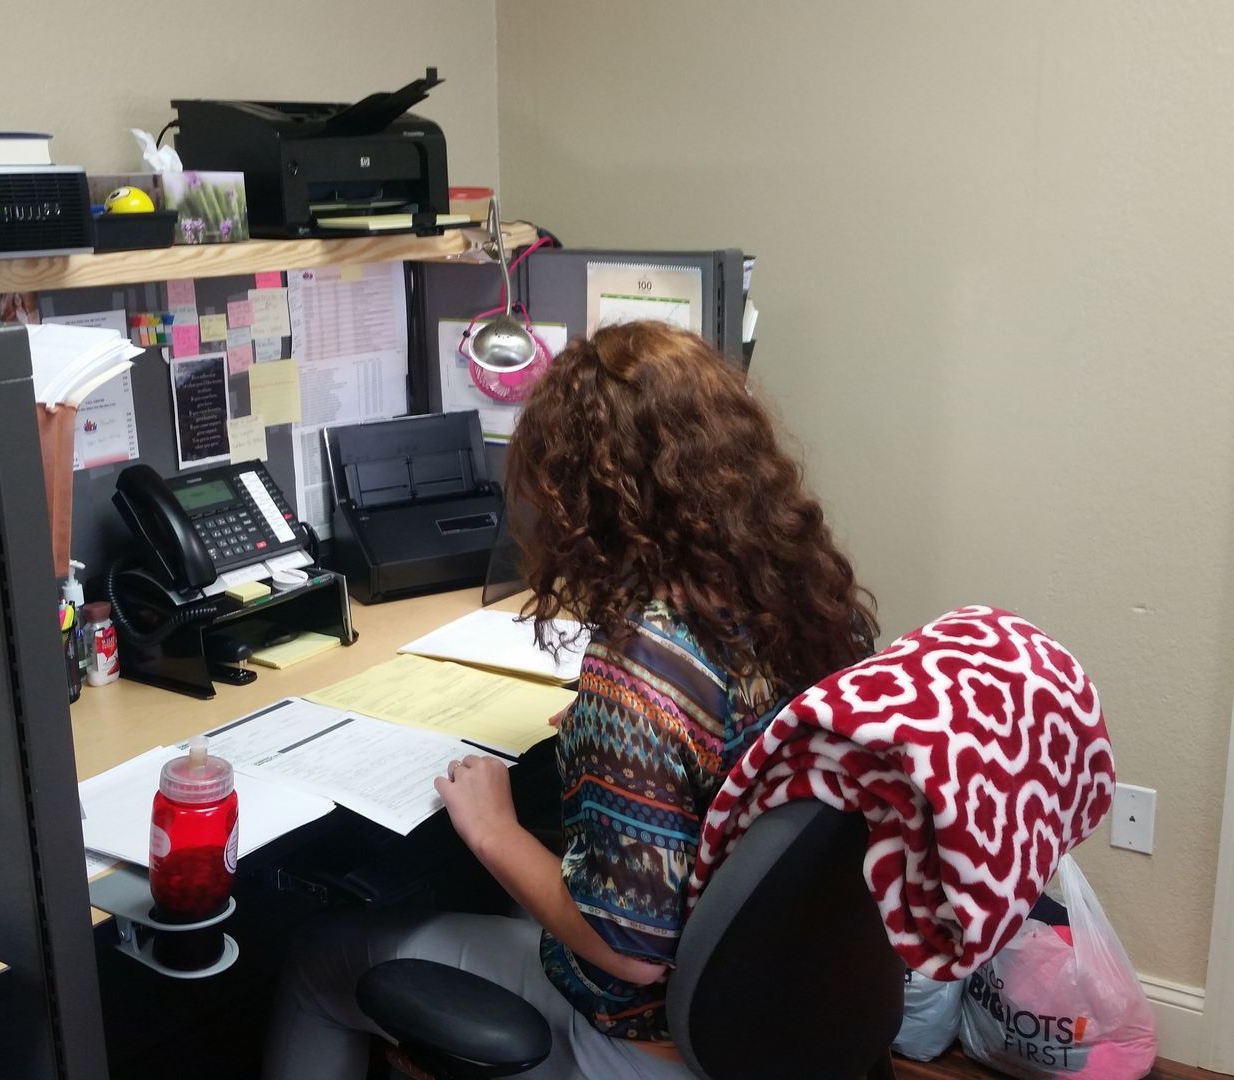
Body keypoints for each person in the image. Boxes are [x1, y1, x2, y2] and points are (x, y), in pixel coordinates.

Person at [261, 321, 876, 1079]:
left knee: (323, 955)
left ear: (586, 501)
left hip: (653, 1038)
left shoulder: (640, 672)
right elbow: (740, 745)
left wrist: (493, 830)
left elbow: (630, 952)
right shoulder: (812, 597)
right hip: (783, 1003)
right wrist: (616, 741)